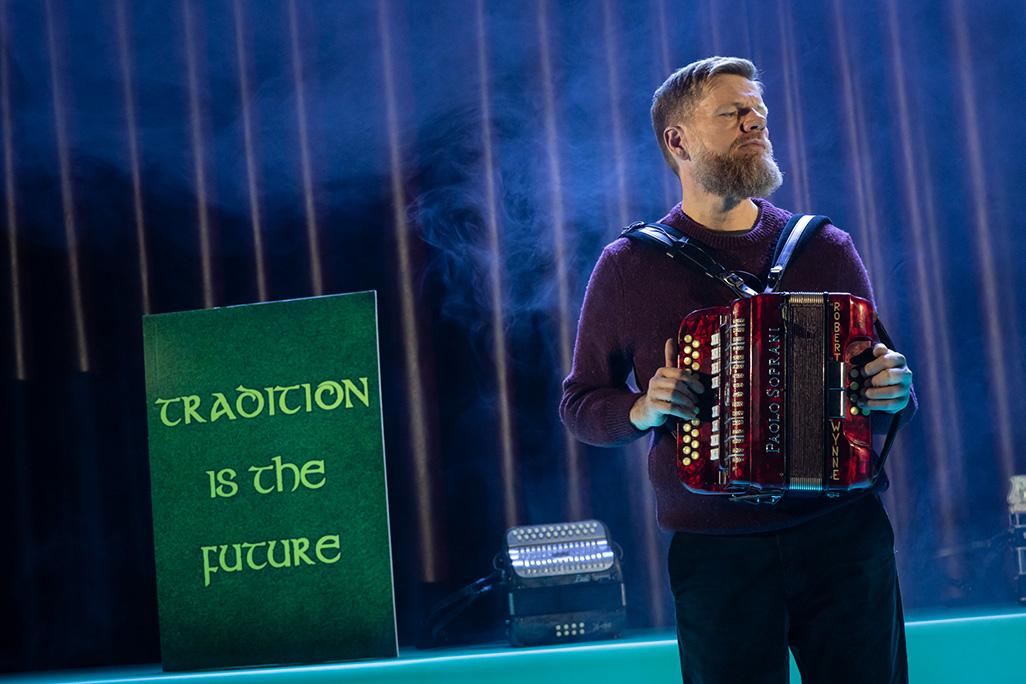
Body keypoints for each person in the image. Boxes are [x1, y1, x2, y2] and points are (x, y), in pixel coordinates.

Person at [559, 57, 917, 684]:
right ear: (678, 141)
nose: (756, 123)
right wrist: (641, 409)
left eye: (759, 111)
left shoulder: (822, 247)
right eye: (733, 113)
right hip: (718, 551)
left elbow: (878, 388)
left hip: (843, 538)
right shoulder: (629, 266)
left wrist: (893, 390)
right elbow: (582, 404)